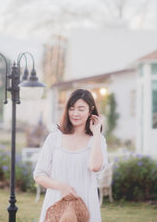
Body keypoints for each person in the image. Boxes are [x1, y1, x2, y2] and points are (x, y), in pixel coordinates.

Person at [33, 89, 108, 222]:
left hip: (86, 203)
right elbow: (39, 174)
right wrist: (61, 186)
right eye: (71, 108)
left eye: (81, 109)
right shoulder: (54, 138)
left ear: (90, 111)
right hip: (57, 202)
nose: (75, 114)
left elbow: (95, 166)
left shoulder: (97, 140)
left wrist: (96, 134)